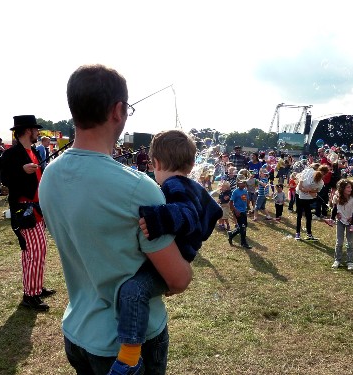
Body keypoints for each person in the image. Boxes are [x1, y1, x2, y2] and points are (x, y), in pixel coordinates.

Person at [39, 64, 193, 375]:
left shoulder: (50, 176)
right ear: (118, 111)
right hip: (127, 348)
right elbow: (179, 279)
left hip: (77, 332)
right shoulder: (139, 189)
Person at [128, 129, 222, 374]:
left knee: (133, 290)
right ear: (191, 164)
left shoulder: (174, 186)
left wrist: (158, 218)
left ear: (155, 163)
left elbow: (188, 214)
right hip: (178, 258)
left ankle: (128, 354)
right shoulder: (187, 183)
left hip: (177, 257)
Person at [1, 116, 56, 311]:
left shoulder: (32, 151)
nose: (38, 133)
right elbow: (4, 178)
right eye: (35, 129)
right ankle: (30, 295)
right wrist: (21, 170)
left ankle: (35, 288)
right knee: (35, 251)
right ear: (26, 131)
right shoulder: (12, 154)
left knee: (36, 251)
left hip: (37, 208)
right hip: (24, 210)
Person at [331, 179, 353, 271]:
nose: (350, 189)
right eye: (348, 187)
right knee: (339, 242)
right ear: (342, 189)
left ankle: (350, 262)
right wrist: (336, 214)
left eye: (351, 187)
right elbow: (333, 207)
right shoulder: (337, 197)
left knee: (349, 243)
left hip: (350, 224)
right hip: (340, 221)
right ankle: (337, 260)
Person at [294, 166, 325, 241]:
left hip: (307, 197)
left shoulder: (321, 182)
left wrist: (309, 191)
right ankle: (298, 233)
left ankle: (309, 234)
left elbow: (316, 191)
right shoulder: (307, 174)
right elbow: (300, 187)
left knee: (308, 215)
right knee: (300, 214)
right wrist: (308, 190)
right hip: (299, 195)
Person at [227, 172, 252, 249]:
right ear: (237, 183)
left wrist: (249, 208)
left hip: (244, 211)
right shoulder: (235, 192)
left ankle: (231, 234)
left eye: (244, 183)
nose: (243, 184)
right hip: (238, 212)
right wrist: (235, 211)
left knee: (244, 226)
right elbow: (231, 203)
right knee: (243, 227)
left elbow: (246, 200)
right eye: (241, 183)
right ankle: (243, 243)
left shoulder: (245, 191)